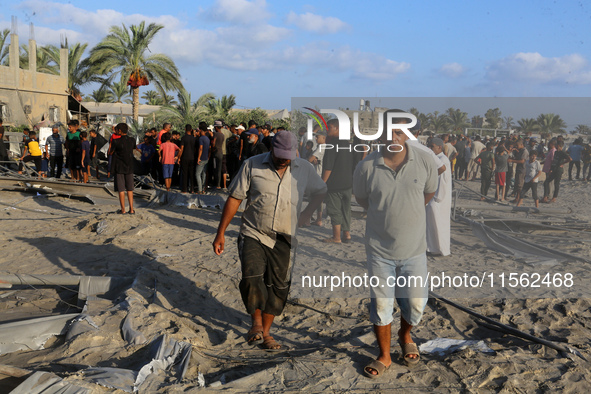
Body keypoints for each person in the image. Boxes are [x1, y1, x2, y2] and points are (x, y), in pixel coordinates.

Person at [212, 130, 326, 351]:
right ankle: (255, 324)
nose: (284, 159)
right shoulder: (251, 165)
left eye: (288, 155)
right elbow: (235, 198)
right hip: (253, 231)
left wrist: (307, 213)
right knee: (252, 277)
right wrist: (221, 233)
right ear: (272, 148)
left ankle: (266, 334)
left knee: (278, 287)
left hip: (286, 236)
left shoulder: (305, 169)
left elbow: (321, 191)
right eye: (280, 154)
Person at [353, 110, 437, 377]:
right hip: (379, 251)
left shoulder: (425, 162)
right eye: (389, 132)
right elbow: (362, 200)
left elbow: (429, 191)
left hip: (414, 250)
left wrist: (409, 213)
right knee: (382, 305)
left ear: (410, 135)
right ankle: (385, 355)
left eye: (399, 132)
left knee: (415, 304)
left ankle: (405, 335)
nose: (393, 137)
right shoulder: (366, 166)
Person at [322, 118, 354, 243]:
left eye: (329, 127)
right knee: (346, 210)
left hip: (335, 185)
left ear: (338, 128)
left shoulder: (332, 144)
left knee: (335, 210)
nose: (327, 129)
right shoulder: (348, 144)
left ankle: (336, 237)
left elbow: (328, 167)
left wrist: (322, 183)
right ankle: (347, 234)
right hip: (348, 183)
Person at [426, 138, 452, 257]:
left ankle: (437, 249)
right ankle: (432, 248)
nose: (430, 149)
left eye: (432, 146)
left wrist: (436, 198)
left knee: (437, 225)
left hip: (438, 198)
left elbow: (442, 181)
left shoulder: (443, 161)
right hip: (435, 197)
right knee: (433, 225)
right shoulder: (438, 159)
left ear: (439, 147)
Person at [109, 123, 136, 214]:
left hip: (119, 167)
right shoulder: (132, 140)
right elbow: (133, 149)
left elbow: (111, 152)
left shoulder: (116, 142)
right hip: (129, 167)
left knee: (121, 189)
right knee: (130, 189)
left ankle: (123, 210)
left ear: (119, 131)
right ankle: (131, 209)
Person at [178, 124, 196, 193]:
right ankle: (192, 189)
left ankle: (184, 189)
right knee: (191, 174)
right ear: (191, 130)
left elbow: (181, 149)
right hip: (192, 157)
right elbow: (194, 149)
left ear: (185, 129)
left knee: (185, 174)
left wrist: (179, 157)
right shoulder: (193, 138)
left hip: (185, 157)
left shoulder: (183, 138)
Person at [195, 122, 211, 194]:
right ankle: (203, 188)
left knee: (197, 174)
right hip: (206, 158)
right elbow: (210, 148)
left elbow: (200, 148)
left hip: (201, 158)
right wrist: (208, 156)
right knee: (204, 173)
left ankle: (200, 190)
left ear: (201, 131)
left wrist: (198, 158)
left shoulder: (201, 138)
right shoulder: (207, 139)